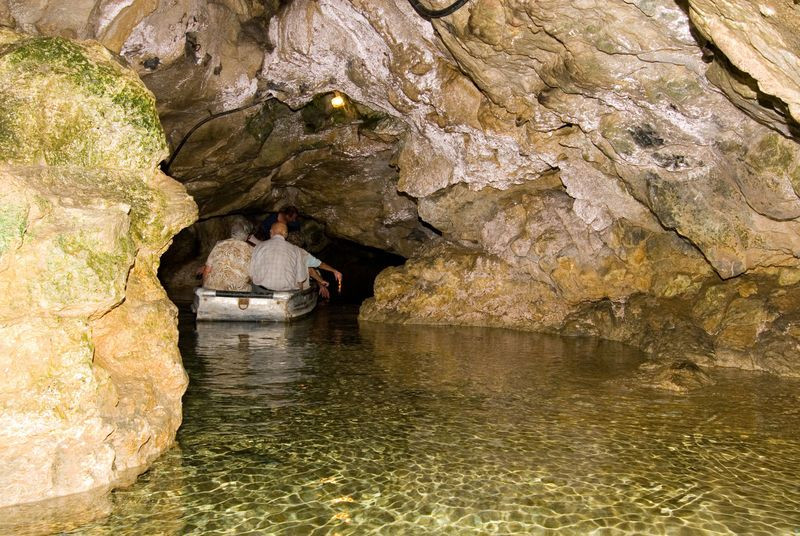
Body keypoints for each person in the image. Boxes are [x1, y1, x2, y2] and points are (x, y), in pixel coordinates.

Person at [250, 222, 343, 295]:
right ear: (285, 235)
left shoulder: (259, 246)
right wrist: (333, 272)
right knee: (302, 276)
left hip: (261, 290)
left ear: (271, 232)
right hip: (286, 292)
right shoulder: (297, 251)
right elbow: (311, 270)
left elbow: (251, 273)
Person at [201, 219, 254, 291]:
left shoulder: (219, 245)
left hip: (214, 290)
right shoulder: (251, 250)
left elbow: (207, 270)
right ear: (248, 236)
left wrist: (204, 289)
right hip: (237, 293)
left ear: (232, 232)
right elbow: (253, 276)